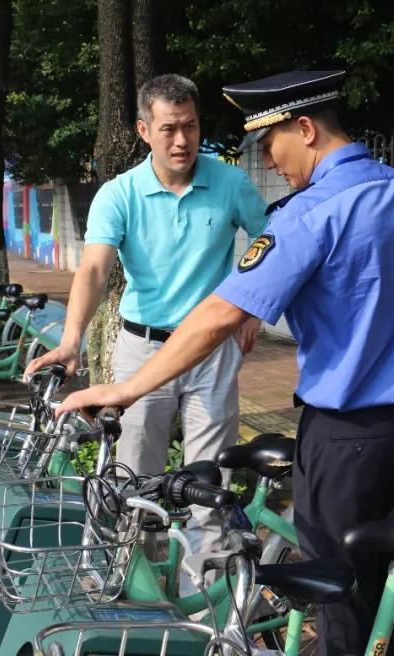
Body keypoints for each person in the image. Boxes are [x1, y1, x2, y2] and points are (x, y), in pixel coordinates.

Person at [55, 69, 394, 655]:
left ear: (307, 129)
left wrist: (126, 389)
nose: (270, 162)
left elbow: (217, 315)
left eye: (272, 144)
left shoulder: (312, 211)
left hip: (346, 441)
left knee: (337, 600)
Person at [26, 73, 267, 556]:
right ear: (143, 130)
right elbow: (94, 269)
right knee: (136, 476)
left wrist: (251, 309)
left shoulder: (231, 183)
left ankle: (206, 601)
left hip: (209, 351)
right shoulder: (119, 194)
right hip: (142, 348)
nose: (182, 141)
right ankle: (141, 587)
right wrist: (72, 339)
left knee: (211, 479)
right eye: (169, 128)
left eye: (191, 127)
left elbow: (269, 245)